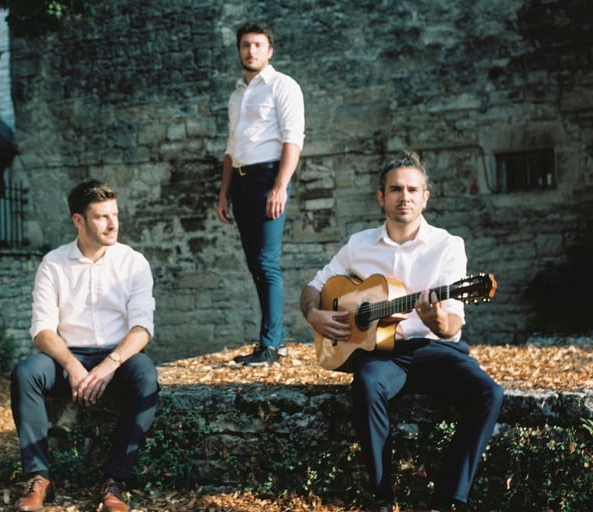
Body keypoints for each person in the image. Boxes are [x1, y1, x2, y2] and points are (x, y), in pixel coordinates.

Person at [299, 151, 503, 512]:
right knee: (366, 384)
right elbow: (314, 286)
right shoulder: (359, 245)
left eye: (412, 189)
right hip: (381, 354)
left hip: (432, 349)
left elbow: (453, 324)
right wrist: (314, 314)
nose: (404, 196)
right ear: (381, 197)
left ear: (425, 197)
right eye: (395, 189)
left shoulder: (448, 246)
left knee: (489, 393)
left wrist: (436, 320)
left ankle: (447, 499)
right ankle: (381, 497)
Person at [10, 179, 159, 512]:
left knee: (146, 376)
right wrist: (72, 366)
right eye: (102, 217)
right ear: (79, 220)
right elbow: (42, 330)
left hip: (119, 357)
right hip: (68, 357)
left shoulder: (133, 262)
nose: (113, 224)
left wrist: (110, 364)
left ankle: (114, 482)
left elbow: (142, 328)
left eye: (115, 214)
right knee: (25, 373)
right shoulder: (54, 263)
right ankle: (38, 478)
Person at [216, 21, 305, 366]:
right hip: (240, 181)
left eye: (257, 45)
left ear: (270, 50)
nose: (251, 51)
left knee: (266, 262)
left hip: (269, 177)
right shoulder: (237, 95)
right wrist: (223, 193)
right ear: (239, 50)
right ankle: (275, 342)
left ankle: (269, 345)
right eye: (245, 45)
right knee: (255, 264)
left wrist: (280, 186)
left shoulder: (283, 86)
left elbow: (293, 139)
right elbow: (231, 148)